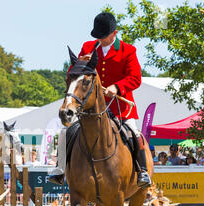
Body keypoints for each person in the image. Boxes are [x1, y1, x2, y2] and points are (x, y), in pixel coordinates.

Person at [49, 12, 151, 188]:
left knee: (134, 133)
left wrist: (116, 87)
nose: (100, 40)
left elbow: (135, 77)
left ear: (114, 33)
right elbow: (73, 75)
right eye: (98, 37)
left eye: (103, 37)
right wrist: (79, 61)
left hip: (119, 106)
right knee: (67, 131)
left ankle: (142, 172)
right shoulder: (88, 47)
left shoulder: (128, 50)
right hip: (90, 107)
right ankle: (59, 170)